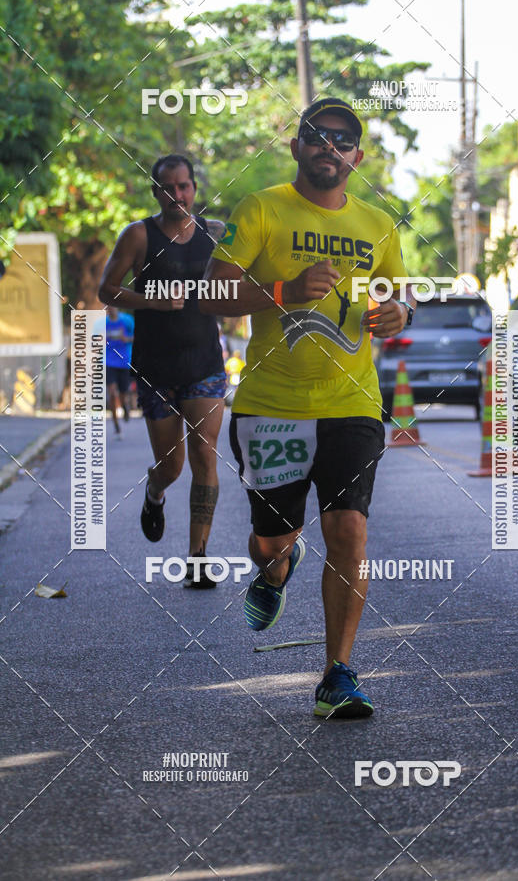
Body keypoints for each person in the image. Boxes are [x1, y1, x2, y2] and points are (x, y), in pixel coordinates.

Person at [203, 97, 414, 718]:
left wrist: (403, 314)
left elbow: (396, 300)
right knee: (273, 539)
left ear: (358, 155)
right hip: (272, 406)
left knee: (348, 528)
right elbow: (213, 292)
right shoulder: (263, 207)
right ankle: (274, 569)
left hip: (352, 402)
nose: (330, 146)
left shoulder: (379, 223)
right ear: (296, 146)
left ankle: (337, 673)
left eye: (343, 138)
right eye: (317, 135)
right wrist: (283, 291)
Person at [99, 154, 227, 589]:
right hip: (155, 368)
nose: (178, 195)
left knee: (206, 454)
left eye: (185, 186)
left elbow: (240, 279)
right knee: (171, 466)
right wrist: (153, 301)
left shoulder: (215, 235)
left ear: (195, 188)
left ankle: (198, 557)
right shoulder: (138, 235)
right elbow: (106, 289)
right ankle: (155, 493)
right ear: (157, 192)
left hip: (205, 363)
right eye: (169, 188)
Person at [105, 306, 134, 438]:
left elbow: (138, 336)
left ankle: (125, 406)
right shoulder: (103, 323)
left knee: (123, 392)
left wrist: (126, 339)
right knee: (111, 393)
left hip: (124, 361)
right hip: (108, 362)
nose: (110, 308)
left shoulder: (127, 320)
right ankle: (116, 424)